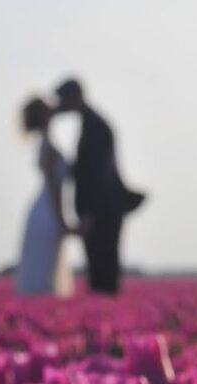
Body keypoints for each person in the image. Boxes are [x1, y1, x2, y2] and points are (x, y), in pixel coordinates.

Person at [55, 78, 146, 295]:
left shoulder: (95, 126)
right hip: (104, 209)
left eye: (62, 99)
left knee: (103, 272)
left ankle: (108, 323)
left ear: (74, 97)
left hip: (103, 212)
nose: (59, 105)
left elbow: (97, 175)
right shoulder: (91, 122)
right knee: (100, 271)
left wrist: (88, 213)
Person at [15, 97, 75, 297]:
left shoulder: (45, 146)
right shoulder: (48, 148)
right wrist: (63, 221)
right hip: (48, 212)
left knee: (42, 267)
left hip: (42, 211)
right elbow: (54, 188)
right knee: (45, 269)